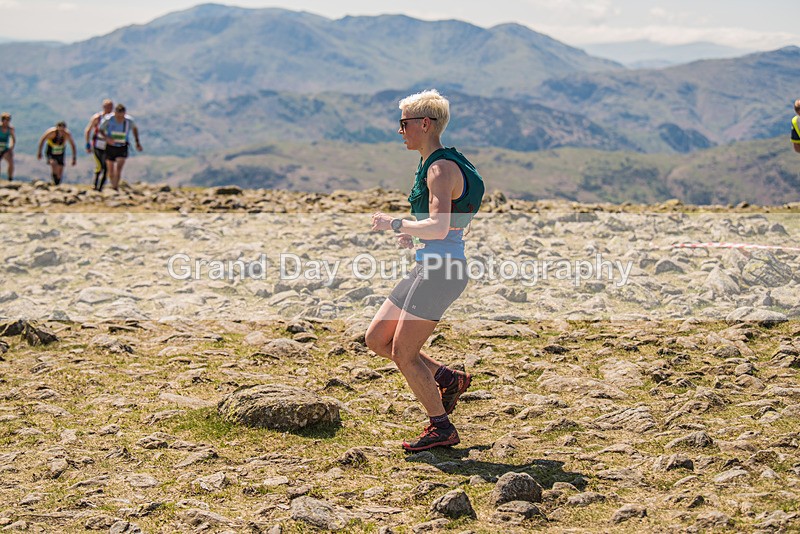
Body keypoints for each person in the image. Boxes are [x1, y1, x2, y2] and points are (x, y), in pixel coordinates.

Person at [366, 89, 485, 452]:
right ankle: (448, 378)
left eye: (404, 124)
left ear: (424, 124)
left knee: (403, 352)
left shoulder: (439, 168)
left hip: (441, 272)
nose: (400, 131)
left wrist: (395, 224)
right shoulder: (436, 161)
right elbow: (438, 229)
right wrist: (414, 239)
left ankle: (441, 427)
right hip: (430, 264)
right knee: (376, 339)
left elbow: (437, 226)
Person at [99, 103, 143, 191]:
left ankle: (115, 187)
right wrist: (107, 138)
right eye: (118, 116)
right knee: (110, 170)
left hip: (122, 146)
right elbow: (100, 129)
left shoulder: (129, 121)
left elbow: (135, 129)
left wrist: (137, 142)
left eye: (121, 116)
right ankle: (112, 184)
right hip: (110, 146)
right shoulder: (108, 119)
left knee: (118, 169)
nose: (119, 118)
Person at [84, 99, 113, 191]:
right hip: (97, 144)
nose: (109, 109)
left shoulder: (113, 118)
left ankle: (101, 187)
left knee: (107, 166)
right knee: (99, 165)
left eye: (110, 107)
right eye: (107, 107)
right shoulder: (97, 117)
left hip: (109, 145)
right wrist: (88, 144)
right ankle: (95, 184)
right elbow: (88, 130)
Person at [37, 121, 77, 185]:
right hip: (51, 151)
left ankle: (57, 182)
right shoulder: (51, 132)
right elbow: (42, 140)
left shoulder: (67, 134)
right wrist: (39, 152)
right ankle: (54, 180)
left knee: (60, 171)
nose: (61, 132)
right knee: (53, 164)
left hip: (60, 152)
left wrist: (74, 158)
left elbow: (73, 145)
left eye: (62, 130)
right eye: (59, 130)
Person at [0, 112, 15, 181]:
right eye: (5, 120)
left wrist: (11, 147)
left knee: (11, 162)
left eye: (8, 120)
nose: (7, 122)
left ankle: (10, 178)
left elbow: (13, 139)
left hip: (5, 148)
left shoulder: (10, 129)